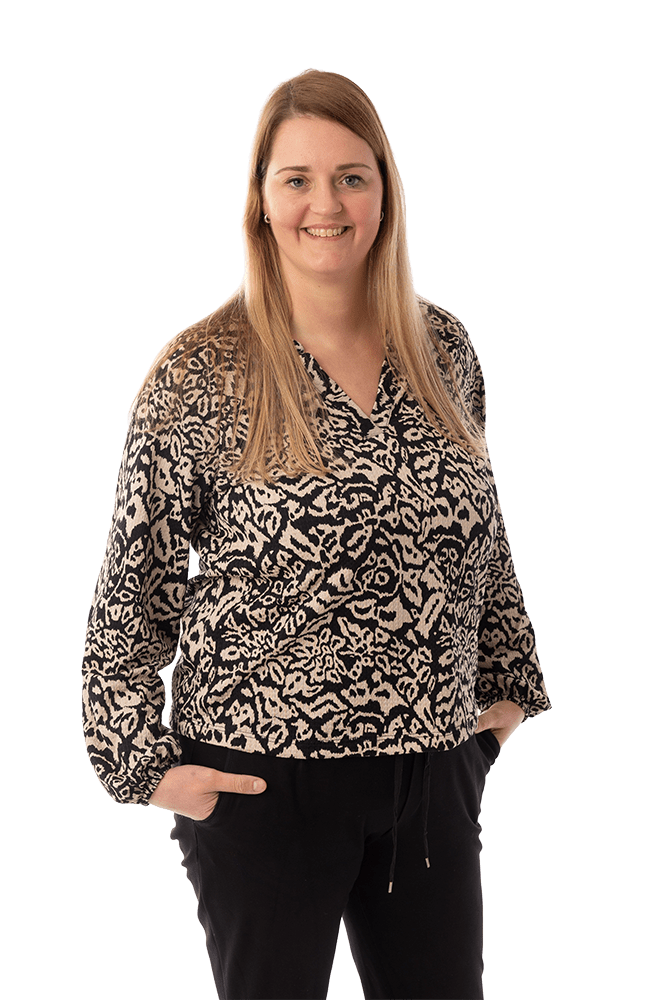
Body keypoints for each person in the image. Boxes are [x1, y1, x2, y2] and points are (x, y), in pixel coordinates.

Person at [82, 67, 552, 1000]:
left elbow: (479, 538)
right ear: (260, 200)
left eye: (350, 177)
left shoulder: (444, 349)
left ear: (384, 192)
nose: (325, 205)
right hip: (264, 785)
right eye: (296, 178)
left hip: (430, 775)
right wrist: (143, 765)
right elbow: (134, 588)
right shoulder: (199, 371)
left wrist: (502, 695)